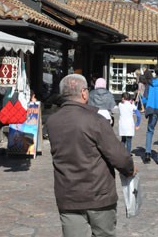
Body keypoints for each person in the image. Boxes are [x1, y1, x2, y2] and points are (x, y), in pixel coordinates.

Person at [46, 74, 136, 237]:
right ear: (83, 93)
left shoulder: (52, 122)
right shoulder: (96, 120)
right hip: (98, 193)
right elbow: (119, 156)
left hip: (68, 194)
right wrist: (129, 169)